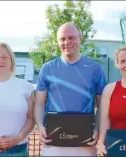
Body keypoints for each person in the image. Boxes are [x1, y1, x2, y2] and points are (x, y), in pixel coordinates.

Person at [33, 23, 107, 156]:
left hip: (85, 145)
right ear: (57, 42)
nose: (67, 42)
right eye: (62, 39)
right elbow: (39, 104)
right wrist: (40, 126)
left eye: (71, 38)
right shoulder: (47, 68)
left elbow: (102, 105)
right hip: (53, 144)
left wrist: (97, 128)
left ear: (80, 38)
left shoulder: (95, 69)